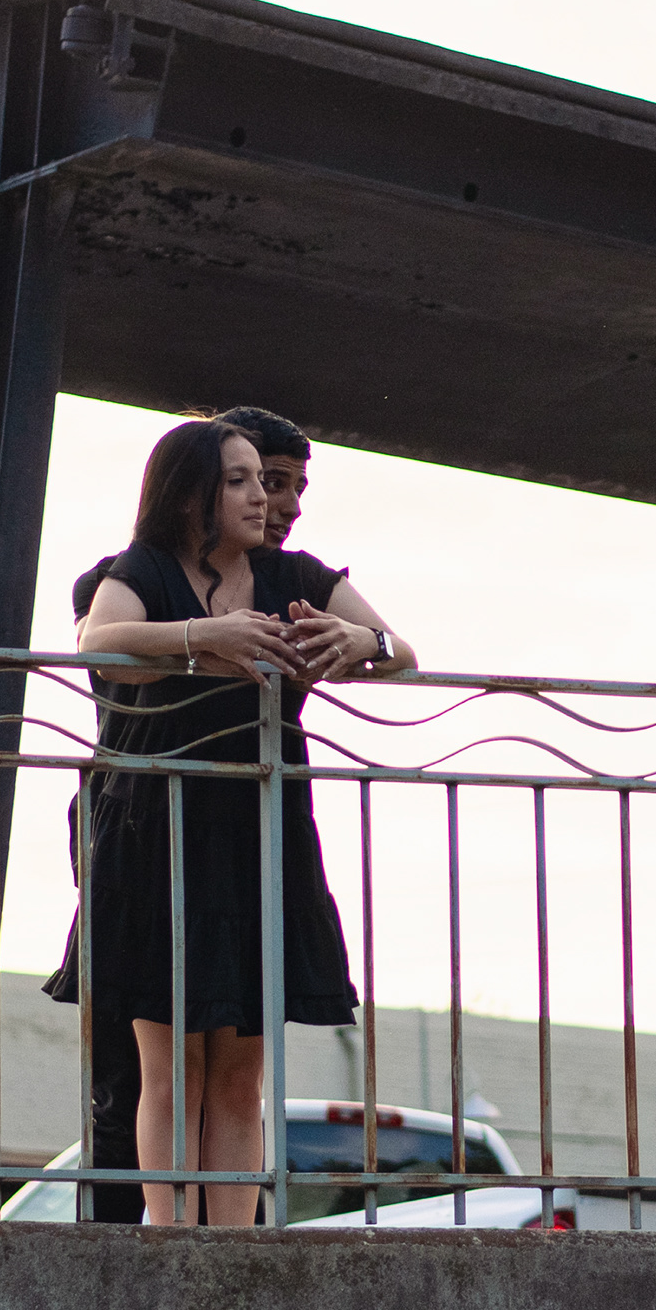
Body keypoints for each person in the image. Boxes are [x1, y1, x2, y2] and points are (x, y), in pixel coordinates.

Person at [65, 416, 410, 1226]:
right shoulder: (141, 569)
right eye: (242, 480)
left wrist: (359, 636)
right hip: (159, 838)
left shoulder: (295, 573)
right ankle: (172, 1239)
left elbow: (402, 652)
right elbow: (95, 642)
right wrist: (202, 636)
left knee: (240, 1073)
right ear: (192, 491)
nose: (266, 498)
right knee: (170, 1068)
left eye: (268, 480)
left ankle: (232, 1250)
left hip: (262, 837)